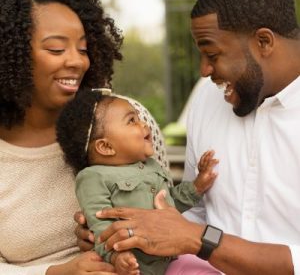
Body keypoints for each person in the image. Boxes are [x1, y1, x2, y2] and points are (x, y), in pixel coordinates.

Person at [75, 0, 300, 274]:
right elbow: (194, 213)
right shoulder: (207, 97)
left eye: (212, 54)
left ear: (264, 41)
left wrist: (202, 240)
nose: (204, 71)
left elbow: (194, 236)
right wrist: (123, 232)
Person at [0, 0, 168, 275]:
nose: (77, 61)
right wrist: (55, 272)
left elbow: (168, 212)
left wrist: (116, 238)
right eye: (56, 49)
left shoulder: (126, 119)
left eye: (83, 48)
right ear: (10, 54)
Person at [56, 88, 220, 275]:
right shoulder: (93, 178)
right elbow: (100, 226)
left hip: (171, 260)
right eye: (131, 120)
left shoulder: (151, 165)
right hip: (133, 267)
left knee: (207, 270)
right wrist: (116, 257)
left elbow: (169, 204)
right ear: (106, 146)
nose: (144, 124)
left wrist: (198, 185)